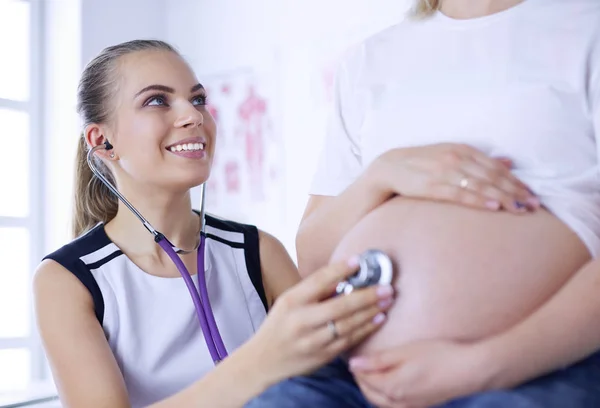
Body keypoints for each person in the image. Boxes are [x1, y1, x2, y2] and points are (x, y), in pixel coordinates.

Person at [246, 0, 600, 407]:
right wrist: (381, 175)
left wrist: (485, 364)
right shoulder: (369, 61)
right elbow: (312, 260)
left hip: (537, 367)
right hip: (352, 378)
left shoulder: (586, 28)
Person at [32, 39, 396, 408]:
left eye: (198, 99)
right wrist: (260, 363)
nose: (193, 116)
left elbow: (332, 379)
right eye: (157, 100)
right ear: (103, 141)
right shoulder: (66, 281)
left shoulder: (258, 251)